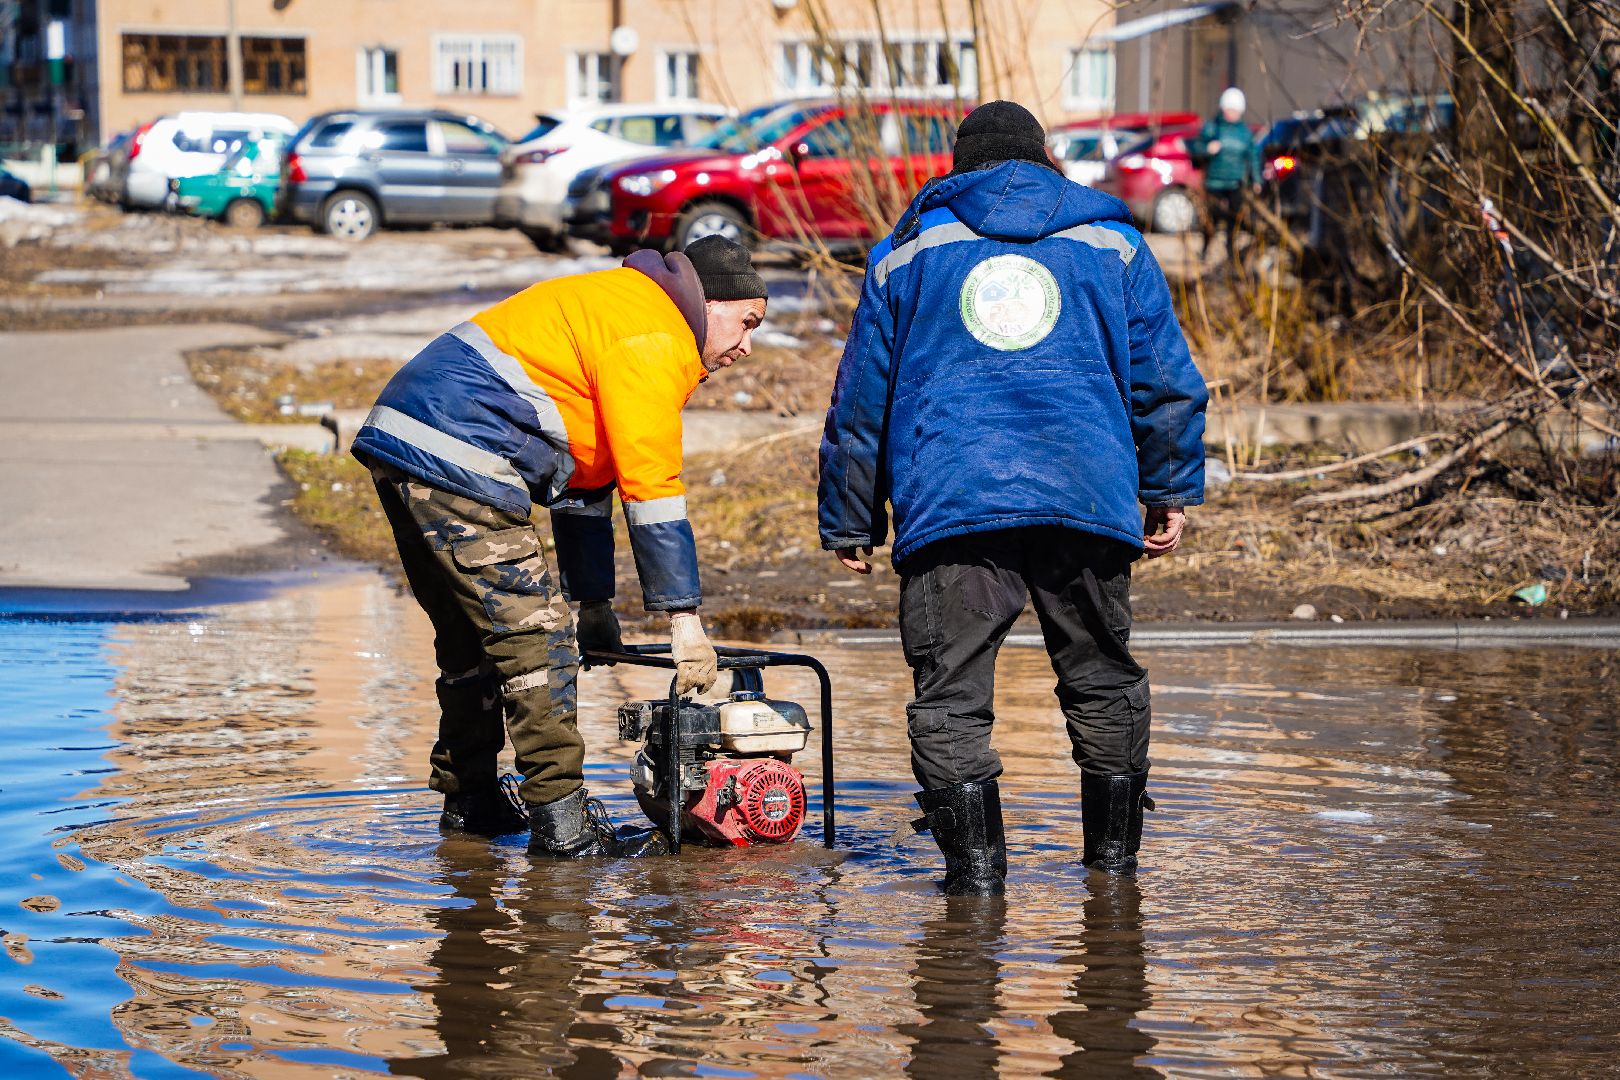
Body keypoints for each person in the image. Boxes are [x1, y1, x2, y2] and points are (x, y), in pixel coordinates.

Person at [818, 100, 1207, 895]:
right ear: (1046, 162)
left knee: (951, 700)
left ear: (957, 168)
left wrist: (850, 516)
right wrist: (1167, 486)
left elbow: (862, 399)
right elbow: (1165, 384)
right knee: (1103, 681)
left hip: (951, 506)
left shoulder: (907, 252)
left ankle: (976, 888)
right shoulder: (1115, 243)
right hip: (1088, 499)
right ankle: (1113, 879)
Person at [352, 235, 769, 858]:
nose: (747, 346)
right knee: (536, 643)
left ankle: (472, 802)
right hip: (463, 451)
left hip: (404, 438)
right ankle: (563, 824)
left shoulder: (625, 305)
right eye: (747, 323)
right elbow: (652, 489)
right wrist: (684, 621)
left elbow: (583, 485)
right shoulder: (654, 335)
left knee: (471, 641)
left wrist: (595, 603)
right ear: (710, 303)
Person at [1198, 86, 1262, 267]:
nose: (1231, 113)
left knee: (1234, 220)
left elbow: (1253, 157)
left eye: (1234, 109)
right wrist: (1207, 149)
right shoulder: (1213, 127)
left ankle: (1232, 256)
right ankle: (1205, 250)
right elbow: (1196, 148)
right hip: (1214, 182)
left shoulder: (1245, 133)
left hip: (1235, 183)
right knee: (1211, 220)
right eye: (1228, 108)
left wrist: (1256, 179)